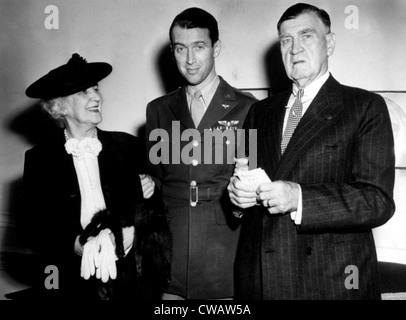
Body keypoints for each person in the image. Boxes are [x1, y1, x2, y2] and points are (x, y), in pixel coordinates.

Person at [228, 3, 395, 300]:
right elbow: (245, 179)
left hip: (329, 281)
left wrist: (299, 198)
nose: (294, 49)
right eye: (286, 40)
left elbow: (377, 200)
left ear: (328, 43)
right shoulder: (259, 112)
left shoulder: (363, 107)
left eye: (306, 36)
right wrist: (238, 200)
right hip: (261, 279)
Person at [21, 53, 171, 300]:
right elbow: (32, 227)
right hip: (72, 282)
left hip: (129, 281)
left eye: (96, 89)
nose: (96, 97)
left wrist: (149, 193)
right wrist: (75, 244)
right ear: (60, 106)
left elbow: (158, 211)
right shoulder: (40, 159)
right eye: (84, 92)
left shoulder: (128, 146)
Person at [145, 7, 256, 299]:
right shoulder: (158, 109)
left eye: (199, 47)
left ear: (215, 48)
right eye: (181, 49)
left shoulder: (247, 108)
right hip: (170, 247)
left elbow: (253, 182)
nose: (190, 60)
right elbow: (155, 179)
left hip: (223, 249)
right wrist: (145, 184)